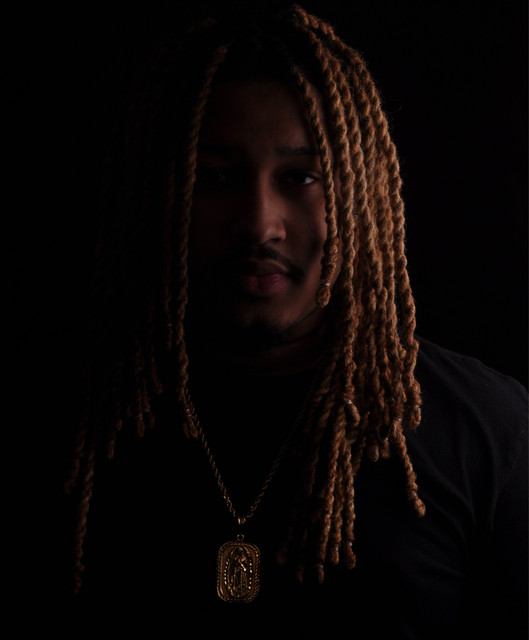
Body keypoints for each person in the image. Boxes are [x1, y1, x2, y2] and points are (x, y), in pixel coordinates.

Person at [60, 4, 527, 638]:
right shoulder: (73, 419)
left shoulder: (489, 433)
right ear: (157, 190)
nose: (258, 225)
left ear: (361, 195)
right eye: (215, 176)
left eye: (301, 176)